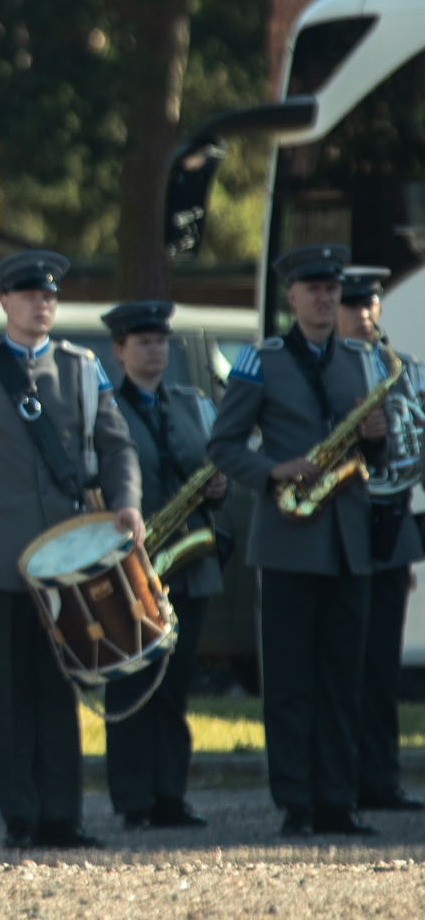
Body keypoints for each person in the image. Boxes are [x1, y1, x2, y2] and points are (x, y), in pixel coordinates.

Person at [0, 251, 142, 850]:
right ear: (5, 304)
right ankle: (21, 815)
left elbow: (117, 443)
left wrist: (126, 502)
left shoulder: (81, 366)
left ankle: (63, 815)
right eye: (27, 295)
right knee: (14, 691)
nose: (40, 304)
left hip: (72, 554)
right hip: (6, 556)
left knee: (61, 685)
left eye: (48, 296)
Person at [208, 242, 387, 837]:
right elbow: (224, 445)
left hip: (346, 541)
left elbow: (376, 457)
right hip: (287, 537)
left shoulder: (361, 360)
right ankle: (297, 803)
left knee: (342, 680)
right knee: (289, 681)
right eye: (313, 288)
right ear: (291, 296)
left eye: (332, 289)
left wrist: (376, 438)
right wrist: (273, 470)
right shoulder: (262, 359)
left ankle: (339, 800)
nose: (324, 297)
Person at [98, 299, 226, 831]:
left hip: (188, 564)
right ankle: (134, 800)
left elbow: (214, 469)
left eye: (160, 341)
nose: (154, 350)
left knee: (174, 685)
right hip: (131, 567)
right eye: (142, 342)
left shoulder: (192, 402)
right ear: (120, 350)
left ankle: (170, 795)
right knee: (130, 682)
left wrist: (218, 489)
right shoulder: (103, 407)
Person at [336, 267, 425, 813]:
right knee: (346, 661)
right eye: (354, 306)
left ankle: (382, 777)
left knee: (382, 665)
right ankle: (345, 779)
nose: (366, 316)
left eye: (371, 306)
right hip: (346, 518)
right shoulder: (328, 369)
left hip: (394, 521)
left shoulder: (402, 368)